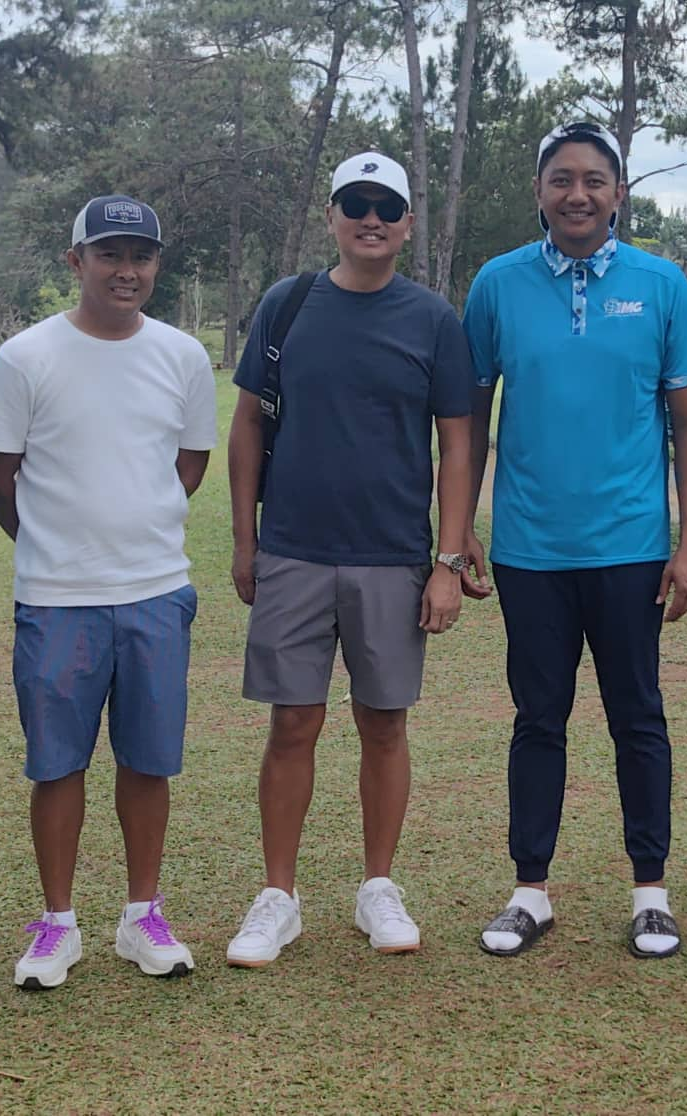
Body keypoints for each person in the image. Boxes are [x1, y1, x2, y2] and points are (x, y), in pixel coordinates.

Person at [462, 121, 687, 959]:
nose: (578, 194)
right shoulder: (497, 285)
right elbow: (467, 420)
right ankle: (529, 891)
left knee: (637, 716)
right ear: (538, 191)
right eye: (561, 179)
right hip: (530, 549)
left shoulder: (660, 283)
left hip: (632, 546)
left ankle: (651, 891)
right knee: (540, 718)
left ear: (618, 191)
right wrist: (457, 534)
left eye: (594, 180)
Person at [222, 152, 479, 965]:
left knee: (383, 723)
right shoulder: (287, 304)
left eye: (387, 207)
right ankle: (278, 896)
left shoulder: (433, 319)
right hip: (294, 550)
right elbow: (248, 428)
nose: (371, 219)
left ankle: (378, 887)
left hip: (392, 556)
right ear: (332, 215)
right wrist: (243, 538)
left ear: (407, 223)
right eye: (355, 204)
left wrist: (446, 559)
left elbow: (458, 442)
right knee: (292, 720)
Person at [0, 195, 217, 987]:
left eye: (140, 256)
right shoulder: (23, 358)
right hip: (56, 596)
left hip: (155, 591)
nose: (127, 270)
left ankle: (141, 916)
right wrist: (55, 545)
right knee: (57, 765)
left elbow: (189, 464)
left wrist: (134, 532)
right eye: (108, 254)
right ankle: (57, 924)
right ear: (74, 261)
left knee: (148, 763)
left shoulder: (181, 356)